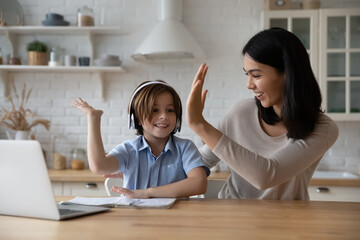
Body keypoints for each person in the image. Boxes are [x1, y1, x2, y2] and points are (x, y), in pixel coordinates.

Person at [186, 28, 339, 200]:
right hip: (229, 217)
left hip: (287, 222)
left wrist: (200, 125)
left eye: (256, 75)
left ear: (288, 74)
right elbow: (202, 160)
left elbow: (267, 175)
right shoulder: (240, 112)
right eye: (247, 75)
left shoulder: (323, 128)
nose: (249, 85)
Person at [72, 80, 209, 199]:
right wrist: (93, 118)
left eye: (170, 110)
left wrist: (147, 192)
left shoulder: (185, 148)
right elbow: (99, 167)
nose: (164, 116)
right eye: (155, 110)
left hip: (176, 221)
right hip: (135, 221)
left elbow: (199, 183)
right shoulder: (128, 150)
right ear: (135, 118)